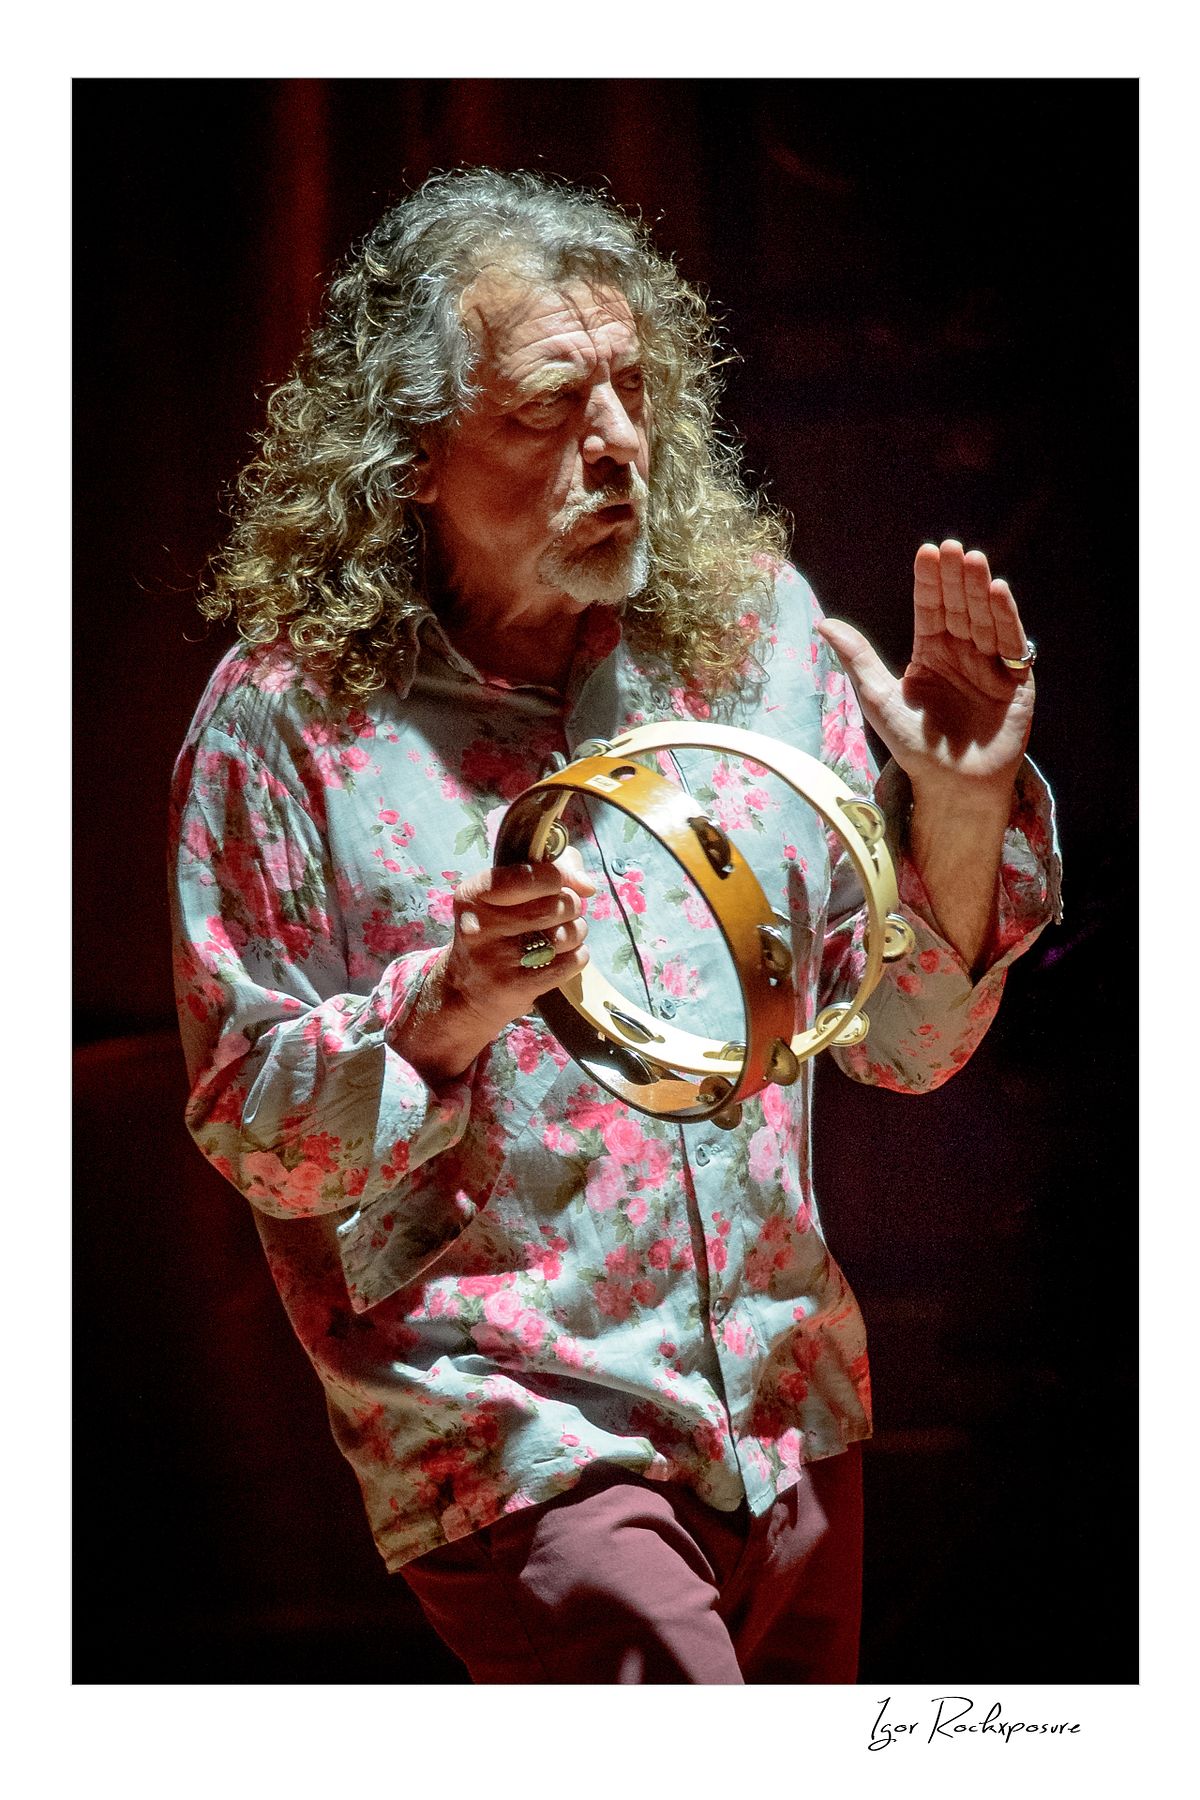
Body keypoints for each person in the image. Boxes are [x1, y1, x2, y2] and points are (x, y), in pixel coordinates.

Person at [169, 167, 1060, 1684]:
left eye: (635, 390)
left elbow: (901, 1049)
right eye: (546, 406)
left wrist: (963, 818)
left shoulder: (750, 638)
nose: (618, 443)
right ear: (410, 457)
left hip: (791, 1413)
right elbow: (260, 1139)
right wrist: (445, 1007)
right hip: (524, 1439)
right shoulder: (288, 721)